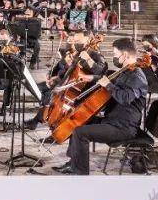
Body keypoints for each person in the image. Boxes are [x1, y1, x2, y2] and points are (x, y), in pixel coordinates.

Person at [54, 38, 148, 175]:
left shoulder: (137, 76)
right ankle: (73, 163)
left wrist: (108, 86)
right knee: (77, 121)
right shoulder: (125, 71)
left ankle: (80, 173)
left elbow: (125, 98)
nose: (115, 58)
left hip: (123, 127)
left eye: (116, 55)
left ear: (126, 55)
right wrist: (91, 78)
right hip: (112, 120)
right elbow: (108, 78)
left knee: (80, 133)